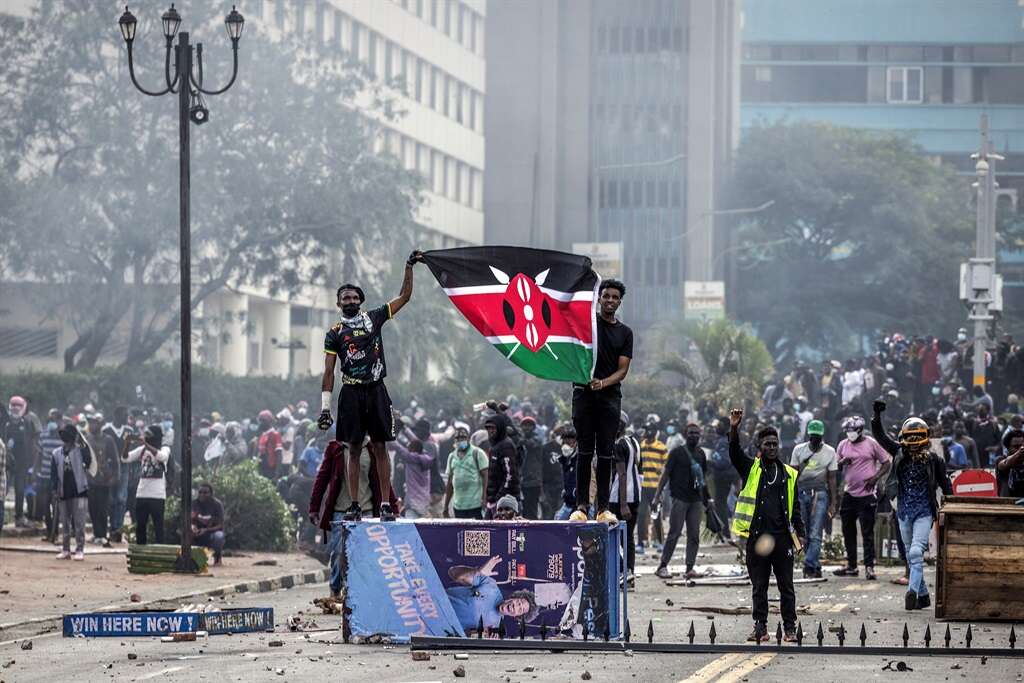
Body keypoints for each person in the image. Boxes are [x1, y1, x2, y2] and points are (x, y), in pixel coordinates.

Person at [318, 250, 423, 522]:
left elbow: (405, 297)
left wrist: (408, 266)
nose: (350, 301)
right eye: (346, 298)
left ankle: (386, 504)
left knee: (380, 446)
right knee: (352, 449)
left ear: (361, 301)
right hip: (350, 392)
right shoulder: (334, 333)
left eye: (354, 297)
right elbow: (329, 371)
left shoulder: (374, 317)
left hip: (376, 389)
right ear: (339, 303)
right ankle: (354, 504)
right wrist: (325, 408)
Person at [728, 408, 804, 643]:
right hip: (758, 538)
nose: (772, 447)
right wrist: (733, 427)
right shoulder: (751, 468)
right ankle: (760, 627)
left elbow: (796, 508)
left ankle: (790, 628)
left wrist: (801, 536)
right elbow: (734, 453)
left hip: (782, 539)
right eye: (767, 444)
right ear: (760, 447)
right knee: (759, 586)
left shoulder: (789, 474)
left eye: (774, 444)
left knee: (786, 586)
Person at [872, 400, 952, 610]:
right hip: (903, 511)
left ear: (925, 439)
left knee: (916, 552)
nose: (914, 441)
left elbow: (946, 486)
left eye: (918, 437)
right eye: (911, 437)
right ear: (903, 438)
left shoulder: (935, 460)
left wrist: (952, 508)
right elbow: (880, 437)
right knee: (909, 553)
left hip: (924, 511)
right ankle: (924, 596)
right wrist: (876, 416)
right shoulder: (899, 453)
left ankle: (913, 592)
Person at [569, 279, 633, 523]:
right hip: (583, 395)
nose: (610, 301)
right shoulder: (588, 324)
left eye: (615, 297)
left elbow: (623, 370)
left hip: (609, 398)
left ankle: (603, 508)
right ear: (599, 298)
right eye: (605, 296)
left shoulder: (625, 333)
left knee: (605, 452)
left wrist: (603, 383)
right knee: (584, 451)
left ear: (619, 302)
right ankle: (582, 507)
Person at [833, 415, 891, 581]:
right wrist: (842, 462)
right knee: (848, 531)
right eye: (847, 431)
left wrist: (875, 478)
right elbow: (835, 467)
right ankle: (851, 565)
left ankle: (869, 567)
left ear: (860, 430)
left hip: (867, 494)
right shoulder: (843, 445)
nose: (849, 434)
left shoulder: (871, 443)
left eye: (852, 431)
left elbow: (886, 463)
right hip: (849, 493)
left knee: (867, 532)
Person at [653, 423, 708, 580]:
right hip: (679, 498)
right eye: (691, 433)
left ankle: (689, 568)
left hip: (696, 500)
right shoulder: (676, 453)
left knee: (694, 535)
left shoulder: (701, 454)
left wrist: (707, 498)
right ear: (685, 434)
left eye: (697, 433)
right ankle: (662, 566)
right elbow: (665, 475)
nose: (694, 436)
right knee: (674, 533)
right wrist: (657, 496)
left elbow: (703, 479)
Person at [789, 420, 838, 578]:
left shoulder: (830, 452)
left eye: (817, 436)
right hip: (802, 493)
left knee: (816, 532)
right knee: (805, 532)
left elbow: (832, 478)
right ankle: (815, 565)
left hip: (819, 494)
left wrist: (833, 502)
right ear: (808, 435)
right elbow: (793, 476)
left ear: (822, 435)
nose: (815, 439)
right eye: (813, 436)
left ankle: (809, 566)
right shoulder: (798, 450)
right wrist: (791, 499)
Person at [445, 555, 539, 634]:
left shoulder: (494, 628)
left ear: (517, 616)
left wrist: (482, 635)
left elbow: (464, 635)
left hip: (441, 624)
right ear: (514, 597)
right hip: (434, 601)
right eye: (519, 602)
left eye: (520, 609)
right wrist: (478, 572)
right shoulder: (491, 586)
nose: (515, 606)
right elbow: (453, 572)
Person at [122, 425, 170, 545]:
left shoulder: (165, 448)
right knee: (140, 526)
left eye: (149, 436)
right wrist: (127, 443)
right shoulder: (142, 449)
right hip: (142, 494)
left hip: (157, 495)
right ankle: (140, 550)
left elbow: (162, 457)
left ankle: (160, 552)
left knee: (158, 526)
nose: (147, 438)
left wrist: (147, 445)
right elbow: (125, 458)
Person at [50, 423, 91, 561]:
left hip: (80, 491)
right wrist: (54, 490)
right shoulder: (56, 453)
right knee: (65, 523)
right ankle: (66, 549)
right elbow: (54, 474)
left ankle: (80, 549)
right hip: (63, 492)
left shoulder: (81, 451)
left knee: (79, 523)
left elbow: (89, 461)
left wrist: (82, 441)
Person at [609, 411, 641, 582]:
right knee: (628, 538)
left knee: (615, 537)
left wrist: (623, 504)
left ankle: (624, 572)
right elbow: (637, 470)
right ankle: (629, 573)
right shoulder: (634, 442)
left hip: (619, 498)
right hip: (635, 495)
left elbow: (622, 475)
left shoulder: (618, 445)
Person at [3, 396, 39, 528]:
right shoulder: (6, 423)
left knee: (20, 490)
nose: (15, 409)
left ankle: (19, 517)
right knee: (3, 490)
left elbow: (33, 444)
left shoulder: (27, 423)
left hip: (23, 464)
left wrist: (32, 465)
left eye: (18, 406)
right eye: (13, 406)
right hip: (7, 463)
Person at [86, 413, 118, 546]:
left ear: (100, 424)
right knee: (92, 507)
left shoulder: (108, 440)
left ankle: (103, 534)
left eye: (94, 423)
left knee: (103, 508)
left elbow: (115, 460)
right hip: (90, 479)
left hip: (104, 479)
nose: (92, 425)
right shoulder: (88, 439)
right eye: (91, 423)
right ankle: (96, 533)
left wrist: (115, 477)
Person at [104, 406, 135, 543]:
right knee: (110, 499)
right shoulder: (106, 430)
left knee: (121, 499)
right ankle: (112, 527)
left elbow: (132, 450)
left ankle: (118, 528)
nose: (126, 418)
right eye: (124, 415)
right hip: (109, 467)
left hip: (124, 466)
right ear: (116, 415)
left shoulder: (129, 431)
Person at [443, 426, 488, 519]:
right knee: (461, 532)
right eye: (457, 438)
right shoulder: (451, 456)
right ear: (454, 440)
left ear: (468, 438)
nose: (460, 440)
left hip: (476, 504)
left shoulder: (477, 453)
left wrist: (484, 498)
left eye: (463, 437)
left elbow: (486, 477)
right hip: (458, 505)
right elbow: (450, 483)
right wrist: (446, 505)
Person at [638, 423, 669, 554]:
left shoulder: (662, 447)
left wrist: (662, 487)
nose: (649, 432)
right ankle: (641, 543)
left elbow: (667, 467)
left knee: (656, 516)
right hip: (642, 487)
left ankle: (659, 542)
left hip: (656, 487)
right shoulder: (641, 446)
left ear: (656, 432)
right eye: (648, 429)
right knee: (641, 515)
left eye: (652, 430)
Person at [484, 413, 520, 517]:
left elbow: (510, 475)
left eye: (493, 428)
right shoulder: (494, 445)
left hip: (505, 503)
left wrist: (499, 498)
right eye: (488, 428)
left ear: (499, 428)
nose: (490, 430)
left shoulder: (506, 445)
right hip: (494, 501)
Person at [391, 438, 434, 519]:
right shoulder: (426, 460)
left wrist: (390, 435)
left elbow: (397, 447)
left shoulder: (411, 458)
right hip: (425, 503)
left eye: (409, 448)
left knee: (411, 529)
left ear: (412, 449)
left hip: (413, 504)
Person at [191, 483, 226, 566]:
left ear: (211, 494)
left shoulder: (217, 505)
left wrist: (206, 530)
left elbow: (220, 525)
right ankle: (193, 559)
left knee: (219, 537)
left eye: (205, 492)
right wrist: (193, 527)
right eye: (200, 492)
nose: (202, 494)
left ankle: (217, 557)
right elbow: (191, 520)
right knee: (185, 533)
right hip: (198, 532)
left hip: (212, 532)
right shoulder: (194, 504)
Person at [518, 416, 544, 519]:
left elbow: (530, 444)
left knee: (532, 509)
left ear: (533, 427)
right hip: (522, 481)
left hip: (534, 481)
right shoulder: (520, 441)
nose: (526, 428)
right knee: (523, 509)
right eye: (524, 425)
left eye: (529, 425)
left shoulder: (537, 440)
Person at [554, 428, 579, 520]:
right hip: (568, 503)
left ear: (576, 443)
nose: (566, 446)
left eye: (569, 443)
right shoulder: (565, 460)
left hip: (580, 505)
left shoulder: (580, 460)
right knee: (557, 521)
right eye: (564, 443)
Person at [996, 429, 1024, 498]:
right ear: (1008, 448)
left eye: (1022, 446)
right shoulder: (1000, 459)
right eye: (1016, 447)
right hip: (1008, 504)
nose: (1020, 449)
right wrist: (1018, 453)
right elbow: (1004, 464)